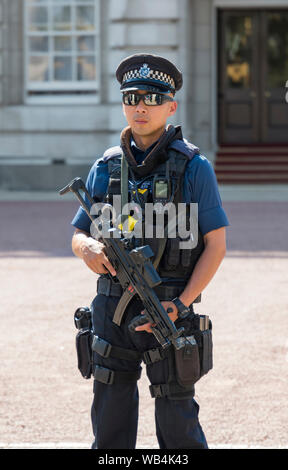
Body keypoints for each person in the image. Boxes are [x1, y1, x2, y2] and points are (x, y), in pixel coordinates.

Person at [70, 53, 229, 449]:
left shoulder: (194, 167)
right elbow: (78, 234)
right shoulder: (105, 166)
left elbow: (216, 246)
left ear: (171, 106)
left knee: (178, 425)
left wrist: (181, 304)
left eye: (153, 99)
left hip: (169, 307)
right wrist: (87, 247)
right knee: (110, 425)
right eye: (132, 97)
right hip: (112, 308)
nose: (141, 107)